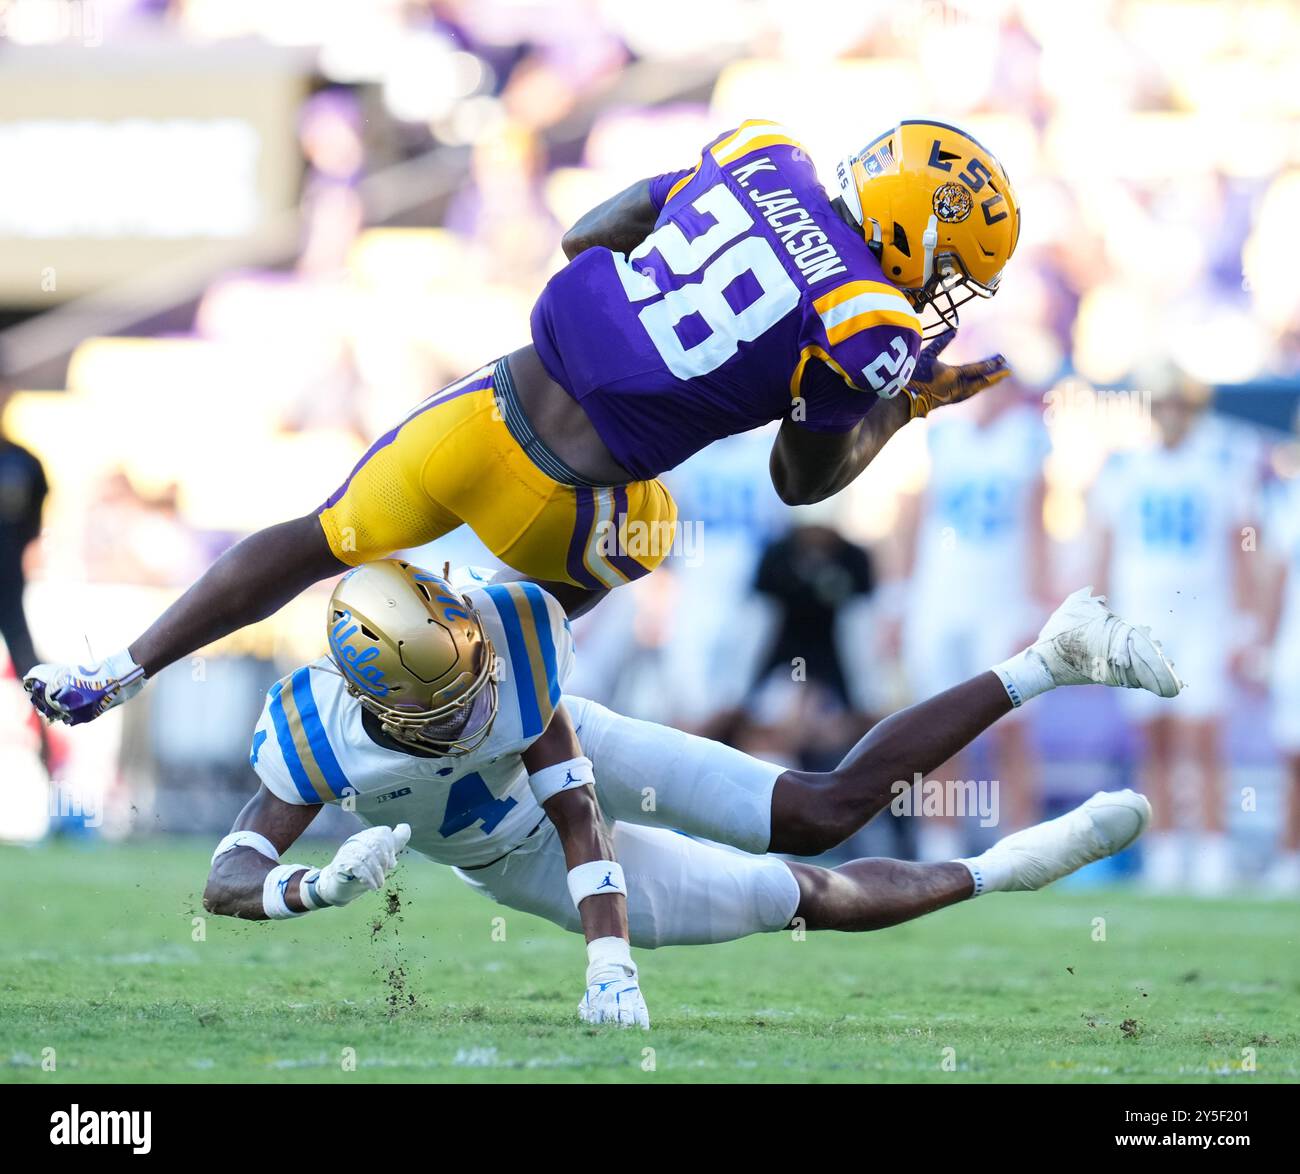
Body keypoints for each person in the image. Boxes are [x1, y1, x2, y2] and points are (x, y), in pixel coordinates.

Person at [25, 119, 1020, 729]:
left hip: (481, 407)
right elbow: (800, 481)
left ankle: (118, 669)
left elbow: (590, 230)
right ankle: (441, 696)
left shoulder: (764, 156)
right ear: (911, 230)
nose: (938, 293)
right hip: (565, 505)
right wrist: (899, 409)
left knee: (319, 535)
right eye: (946, 268)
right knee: (655, 529)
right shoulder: (870, 322)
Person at [201, 558, 1180, 1028]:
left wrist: (608, 967)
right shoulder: (314, 739)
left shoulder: (512, 649)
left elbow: (575, 802)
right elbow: (229, 876)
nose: (478, 695)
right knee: (798, 898)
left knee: (817, 809)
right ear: (379, 698)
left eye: (475, 669)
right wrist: (314, 889)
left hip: (581, 777)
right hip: (512, 860)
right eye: (445, 694)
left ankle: (1049, 656)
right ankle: (998, 868)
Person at [1091, 368, 1258, 893]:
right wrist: (1099, 616)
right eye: (1161, 404)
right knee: (1154, 739)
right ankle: (1163, 850)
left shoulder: (1220, 464)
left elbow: (1242, 545)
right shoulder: (1126, 468)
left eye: (1177, 404)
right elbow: (1105, 545)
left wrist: (1246, 621)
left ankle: (1210, 849)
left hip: (1203, 615)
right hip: (1143, 618)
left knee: (1203, 734)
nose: (1168, 414)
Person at [889, 376, 1052, 851]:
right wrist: (897, 598)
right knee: (937, 728)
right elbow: (910, 517)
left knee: (1012, 727)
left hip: (1002, 601)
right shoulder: (942, 435)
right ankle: (939, 844)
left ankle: (1020, 841)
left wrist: (1035, 607)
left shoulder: (1026, 438)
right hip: (938, 599)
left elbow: (1038, 526)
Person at [0, 383, 48, 677]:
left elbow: (32, 525)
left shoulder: (23, 462)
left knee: (24, 656)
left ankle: (48, 714)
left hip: (7, 574)